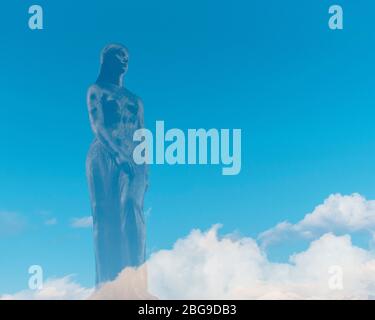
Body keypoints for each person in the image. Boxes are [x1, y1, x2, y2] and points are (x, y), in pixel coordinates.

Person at [86, 44, 148, 285]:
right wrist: (117, 153)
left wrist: (145, 170)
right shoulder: (96, 89)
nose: (124, 60)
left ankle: (136, 282)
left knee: (132, 208)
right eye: (118, 56)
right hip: (102, 155)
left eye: (126, 57)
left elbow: (142, 134)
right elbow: (97, 125)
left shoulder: (136, 100)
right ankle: (106, 284)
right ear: (105, 60)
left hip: (133, 159)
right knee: (103, 218)